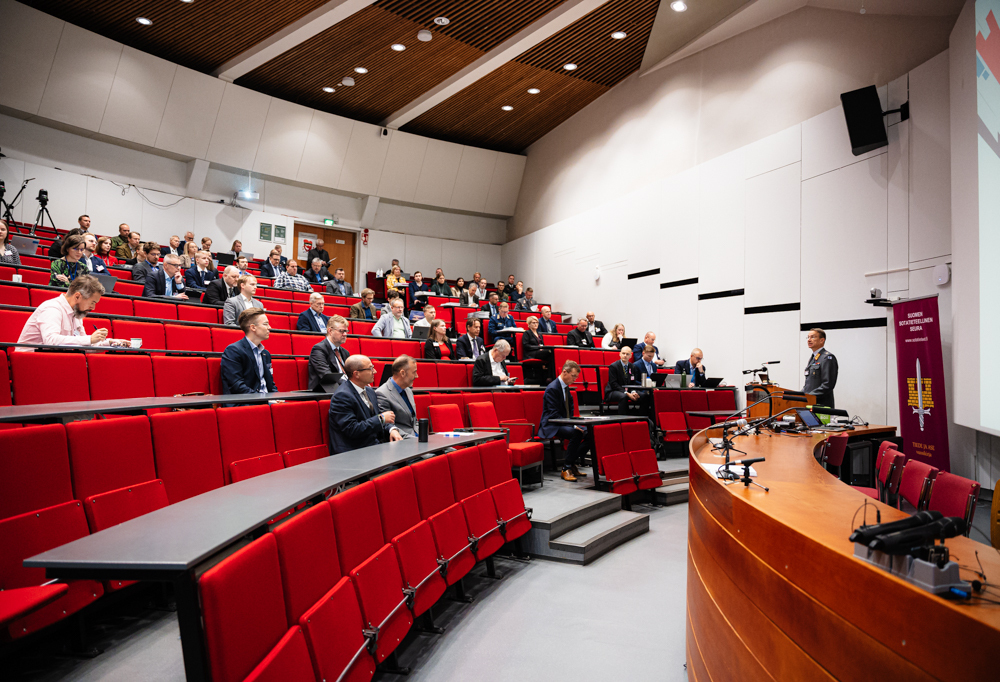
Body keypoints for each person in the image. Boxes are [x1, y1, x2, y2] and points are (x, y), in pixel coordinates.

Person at [17, 275, 130, 349]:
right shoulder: (52, 308)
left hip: (53, 361)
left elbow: (84, 345)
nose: (93, 308)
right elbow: (51, 341)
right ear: (77, 296)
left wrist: (111, 343)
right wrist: (89, 339)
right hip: (29, 363)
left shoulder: (76, 313)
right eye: (92, 302)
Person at [327, 355, 403, 455]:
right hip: (354, 452)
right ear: (356, 374)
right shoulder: (342, 396)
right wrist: (381, 419)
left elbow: (380, 417)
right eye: (370, 368)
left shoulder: (370, 391)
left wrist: (391, 429)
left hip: (374, 447)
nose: (374, 371)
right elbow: (352, 429)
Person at [538, 361, 589, 482]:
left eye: (576, 377)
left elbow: (570, 412)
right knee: (576, 433)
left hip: (564, 422)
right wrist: (572, 426)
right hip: (551, 424)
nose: (575, 379)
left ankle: (571, 463)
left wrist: (574, 424)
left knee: (590, 432)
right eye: (573, 376)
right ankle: (566, 468)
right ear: (564, 372)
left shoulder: (566, 388)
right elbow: (553, 414)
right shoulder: (552, 388)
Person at [220, 308, 276, 395]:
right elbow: (237, 386)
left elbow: (271, 384)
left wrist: (278, 398)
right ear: (253, 327)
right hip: (245, 403)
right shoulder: (233, 351)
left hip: (265, 401)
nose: (270, 328)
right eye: (265, 324)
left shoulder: (266, 354)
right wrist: (263, 400)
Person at [376, 355, 420, 438]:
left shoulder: (408, 390)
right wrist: (417, 440)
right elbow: (388, 426)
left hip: (418, 438)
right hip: (403, 442)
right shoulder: (382, 393)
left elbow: (414, 421)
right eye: (414, 372)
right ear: (402, 373)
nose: (417, 376)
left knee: (447, 449)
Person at [308, 315, 350, 392]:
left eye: (346, 331)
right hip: (324, 392)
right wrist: (350, 385)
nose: (345, 334)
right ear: (330, 331)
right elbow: (327, 376)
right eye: (341, 331)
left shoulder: (345, 352)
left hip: (343, 390)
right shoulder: (319, 349)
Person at [803, 328, 839, 407]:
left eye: (813, 337)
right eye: (808, 337)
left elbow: (827, 385)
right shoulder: (813, 358)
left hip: (821, 406)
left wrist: (809, 396)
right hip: (810, 404)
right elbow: (809, 385)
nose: (809, 340)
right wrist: (797, 395)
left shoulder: (827, 358)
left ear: (822, 340)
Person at [606, 347, 644, 415]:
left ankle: (642, 418)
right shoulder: (613, 366)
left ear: (630, 356)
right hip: (613, 391)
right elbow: (613, 384)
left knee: (643, 396)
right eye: (623, 353)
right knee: (624, 396)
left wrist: (633, 392)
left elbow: (633, 382)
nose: (625, 355)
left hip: (628, 390)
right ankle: (623, 419)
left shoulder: (633, 367)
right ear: (620, 354)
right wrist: (626, 393)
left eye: (627, 354)